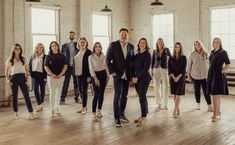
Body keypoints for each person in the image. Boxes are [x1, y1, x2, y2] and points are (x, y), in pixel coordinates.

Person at [106, 28, 134, 127]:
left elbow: (132, 62)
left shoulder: (131, 46)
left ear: (128, 35)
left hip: (127, 75)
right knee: (117, 95)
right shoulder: (113, 45)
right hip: (117, 74)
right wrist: (112, 72)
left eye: (125, 34)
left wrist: (132, 75)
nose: (124, 36)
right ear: (119, 35)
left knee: (125, 96)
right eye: (122, 34)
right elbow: (108, 60)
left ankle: (122, 114)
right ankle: (116, 117)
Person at [5, 43, 34, 119]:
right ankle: (16, 113)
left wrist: (27, 80)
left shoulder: (23, 58)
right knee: (15, 96)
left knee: (26, 96)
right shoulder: (10, 59)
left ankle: (31, 112)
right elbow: (6, 71)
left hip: (22, 77)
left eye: (19, 48)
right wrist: (8, 79)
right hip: (13, 77)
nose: (18, 50)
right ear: (13, 50)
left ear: (20, 50)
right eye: (16, 48)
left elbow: (26, 70)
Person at [207, 37, 230, 122]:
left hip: (218, 76)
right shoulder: (212, 52)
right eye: (214, 42)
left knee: (215, 95)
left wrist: (222, 70)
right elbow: (211, 62)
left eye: (217, 42)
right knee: (216, 95)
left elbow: (227, 64)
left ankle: (214, 114)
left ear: (220, 43)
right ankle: (218, 112)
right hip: (211, 75)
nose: (215, 43)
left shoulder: (223, 52)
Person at [187, 40, 213, 111]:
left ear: (201, 45)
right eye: (196, 44)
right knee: (197, 90)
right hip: (195, 76)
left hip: (205, 76)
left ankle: (209, 105)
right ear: (194, 46)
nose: (197, 45)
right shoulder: (192, 54)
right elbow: (188, 66)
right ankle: (198, 104)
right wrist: (188, 76)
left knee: (206, 91)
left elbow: (210, 65)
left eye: (198, 44)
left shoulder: (206, 53)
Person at [44, 41, 67, 117]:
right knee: (52, 92)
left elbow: (65, 66)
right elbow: (46, 67)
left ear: (58, 46)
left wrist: (60, 74)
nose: (54, 47)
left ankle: (57, 107)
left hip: (61, 76)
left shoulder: (62, 56)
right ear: (50, 47)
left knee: (58, 92)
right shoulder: (48, 56)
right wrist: (52, 74)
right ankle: (52, 109)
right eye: (52, 46)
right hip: (51, 77)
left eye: (55, 45)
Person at [132, 38, 151, 127]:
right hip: (136, 79)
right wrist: (133, 77)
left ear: (146, 45)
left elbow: (146, 68)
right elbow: (133, 68)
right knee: (141, 97)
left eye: (144, 43)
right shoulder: (136, 55)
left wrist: (137, 78)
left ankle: (144, 117)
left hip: (144, 78)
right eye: (141, 43)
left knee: (142, 97)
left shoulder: (147, 55)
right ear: (138, 44)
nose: (142, 44)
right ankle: (143, 115)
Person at [89, 42, 109, 122]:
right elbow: (91, 68)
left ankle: (99, 111)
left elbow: (106, 67)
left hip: (103, 75)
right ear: (94, 48)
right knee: (96, 95)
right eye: (96, 47)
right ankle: (93, 113)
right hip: (95, 75)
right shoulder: (90, 57)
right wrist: (95, 79)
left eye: (99, 47)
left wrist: (108, 77)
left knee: (101, 94)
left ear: (101, 48)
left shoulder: (104, 56)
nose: (98, 48)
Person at [60, 31, 81, 105]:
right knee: (66, 83)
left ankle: (77, 98)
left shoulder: (77, 45)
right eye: (70, 35)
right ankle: (62, 99)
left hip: (76, 67)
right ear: (68, 36)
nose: (71, 36)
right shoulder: (64, 46)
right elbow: (61, 57)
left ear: (74, 36)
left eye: (72, 35)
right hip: (67, 67)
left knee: (77, 83)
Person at [151, 38, 171, 110]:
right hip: (155, 69)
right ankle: (159, 103)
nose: (160, 43)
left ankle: (165, 104)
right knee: (156, 86)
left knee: (166, 86)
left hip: (164, 69)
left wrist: (169, 68)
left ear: (163, 43)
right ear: (157, 43)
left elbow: (171, 58)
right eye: (159, 42)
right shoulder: (154, 51)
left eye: (161, 42)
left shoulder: (166, 50)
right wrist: (151, 71)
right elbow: (152, 62)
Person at [168, 42, 187, 118]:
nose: (177, 48)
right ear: (174, 48)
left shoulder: (184, 57)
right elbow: (169, 69)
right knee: (175, 95)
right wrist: (173, 77)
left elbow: (183, 69)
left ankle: (174, 111)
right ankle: (178, 109)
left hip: (181, 78)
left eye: (178, 47)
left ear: (180, 48)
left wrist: (178, 77)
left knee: (178, 94)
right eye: (176, 47)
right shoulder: (171, 58)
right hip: (173, 78)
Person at [74, 37, 92, 114]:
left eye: (84, 42)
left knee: (84, 90)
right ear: (78, 43)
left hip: (86, 75)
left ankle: (84, 107)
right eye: (81, 42)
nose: (82, 44)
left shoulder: (89, 52)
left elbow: (91, 65)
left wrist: (90, 76)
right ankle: (83, 106)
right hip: (77, 74)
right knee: (80, 90)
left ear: (86, 43)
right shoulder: (76, 51)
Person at [29, 43, 47, 112]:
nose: (39, 48)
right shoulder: (32, 56)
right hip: (34, 75)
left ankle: (40, 104)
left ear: (43, 49)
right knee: (35, 89)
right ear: (36, 48)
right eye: (38, 47)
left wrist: (45, 77)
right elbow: (30, 66)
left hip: (42, 75)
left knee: (42, 90)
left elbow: (47, 67)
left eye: (41, 47)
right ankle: (39, 104)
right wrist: (31, 74)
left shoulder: (45, 57)